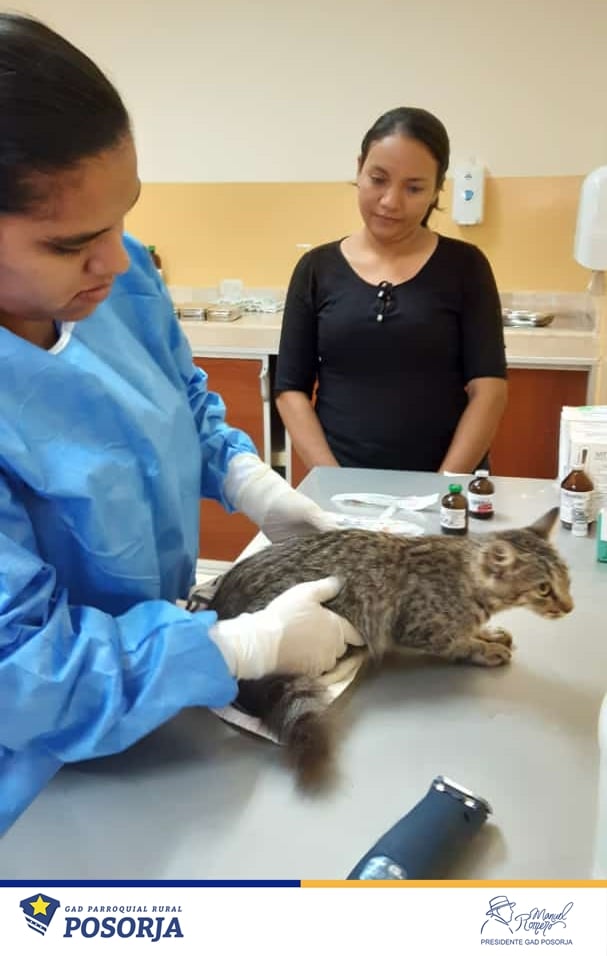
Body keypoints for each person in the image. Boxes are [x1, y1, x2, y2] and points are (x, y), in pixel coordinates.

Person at [0, 14, 362, 834]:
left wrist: (249, 480)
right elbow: (24, 674)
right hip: (41, 784)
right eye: (71, 243)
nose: (115, 259)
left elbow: (178, 402)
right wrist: (236, 649)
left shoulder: (115, 280)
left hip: (158, 713)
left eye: (123, 215)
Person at [275, 107, 508, 474]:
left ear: (437, 189)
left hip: (445, 485)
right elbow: (290, 389)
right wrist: (332, 482)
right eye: (378, 179)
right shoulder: (316, 269)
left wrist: (444, 486)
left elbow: (489, 388)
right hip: (341, 483)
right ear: (359, 169)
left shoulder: (466, 266)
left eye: (414, 188)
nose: (390, 202)